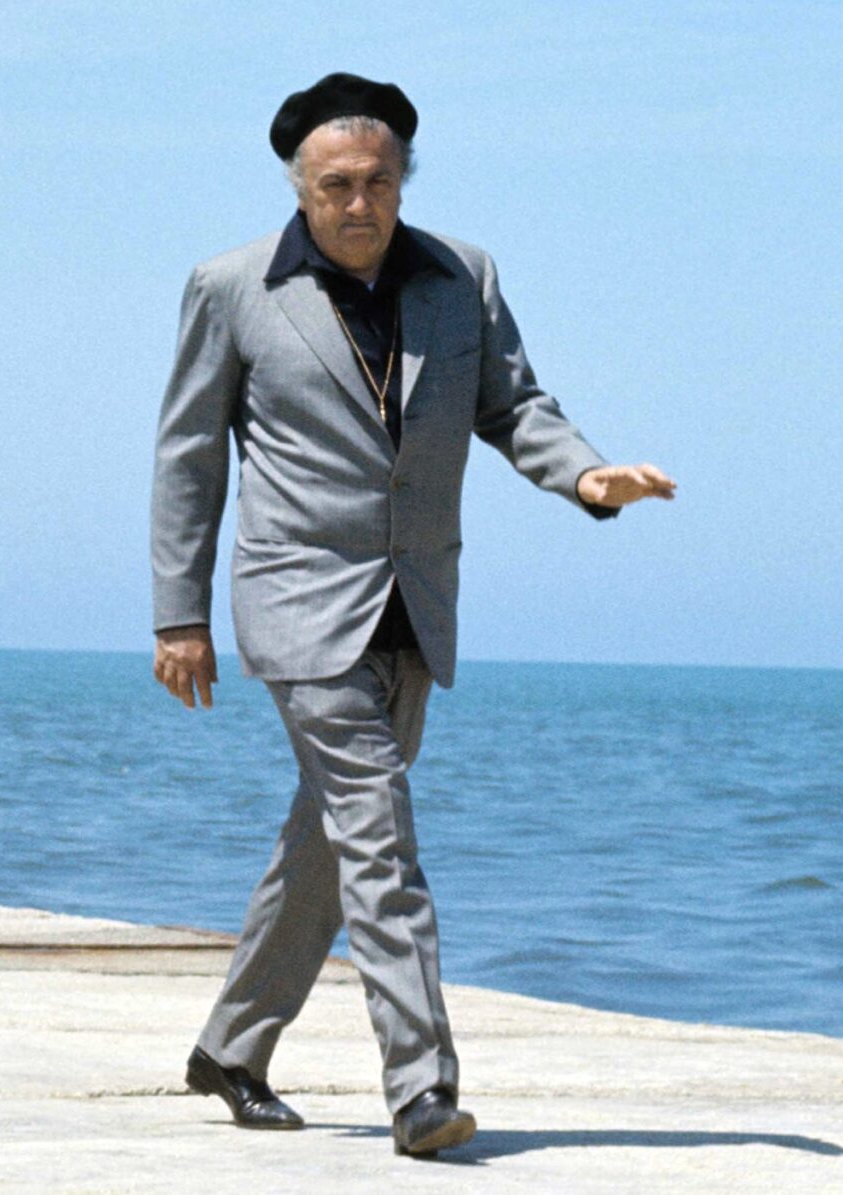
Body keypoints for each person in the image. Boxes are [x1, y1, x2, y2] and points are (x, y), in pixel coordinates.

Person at [148, 73, 676, 1157]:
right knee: (378, 834)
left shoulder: (460, 277)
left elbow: (514, 405)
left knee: (331, 840)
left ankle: (231, 1048)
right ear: (299, 189)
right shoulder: (231, 287)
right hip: (296, 600)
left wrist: (585, 477)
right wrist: (177, 616)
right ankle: (422, 1087)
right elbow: (189, 456)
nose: (360, 202)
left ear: (403, 181)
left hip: (414, 602)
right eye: (336, 185)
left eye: (379, 182)